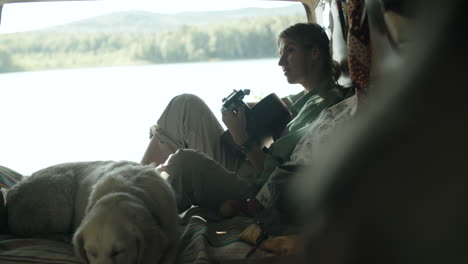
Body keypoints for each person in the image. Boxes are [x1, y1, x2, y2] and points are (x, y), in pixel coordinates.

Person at [141, 23, 347, 213]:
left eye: (290, 51)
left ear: (314, 53)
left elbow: (273, 176)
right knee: (185, 105)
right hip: (245, 163)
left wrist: (243, 139)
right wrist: (244, 115)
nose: (280, 61)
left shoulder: (322, 105)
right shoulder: (302, 99)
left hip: (254, 186)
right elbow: (278, 122)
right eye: (281, 53)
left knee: (183, 161)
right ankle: (134, 182)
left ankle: (135, 200)